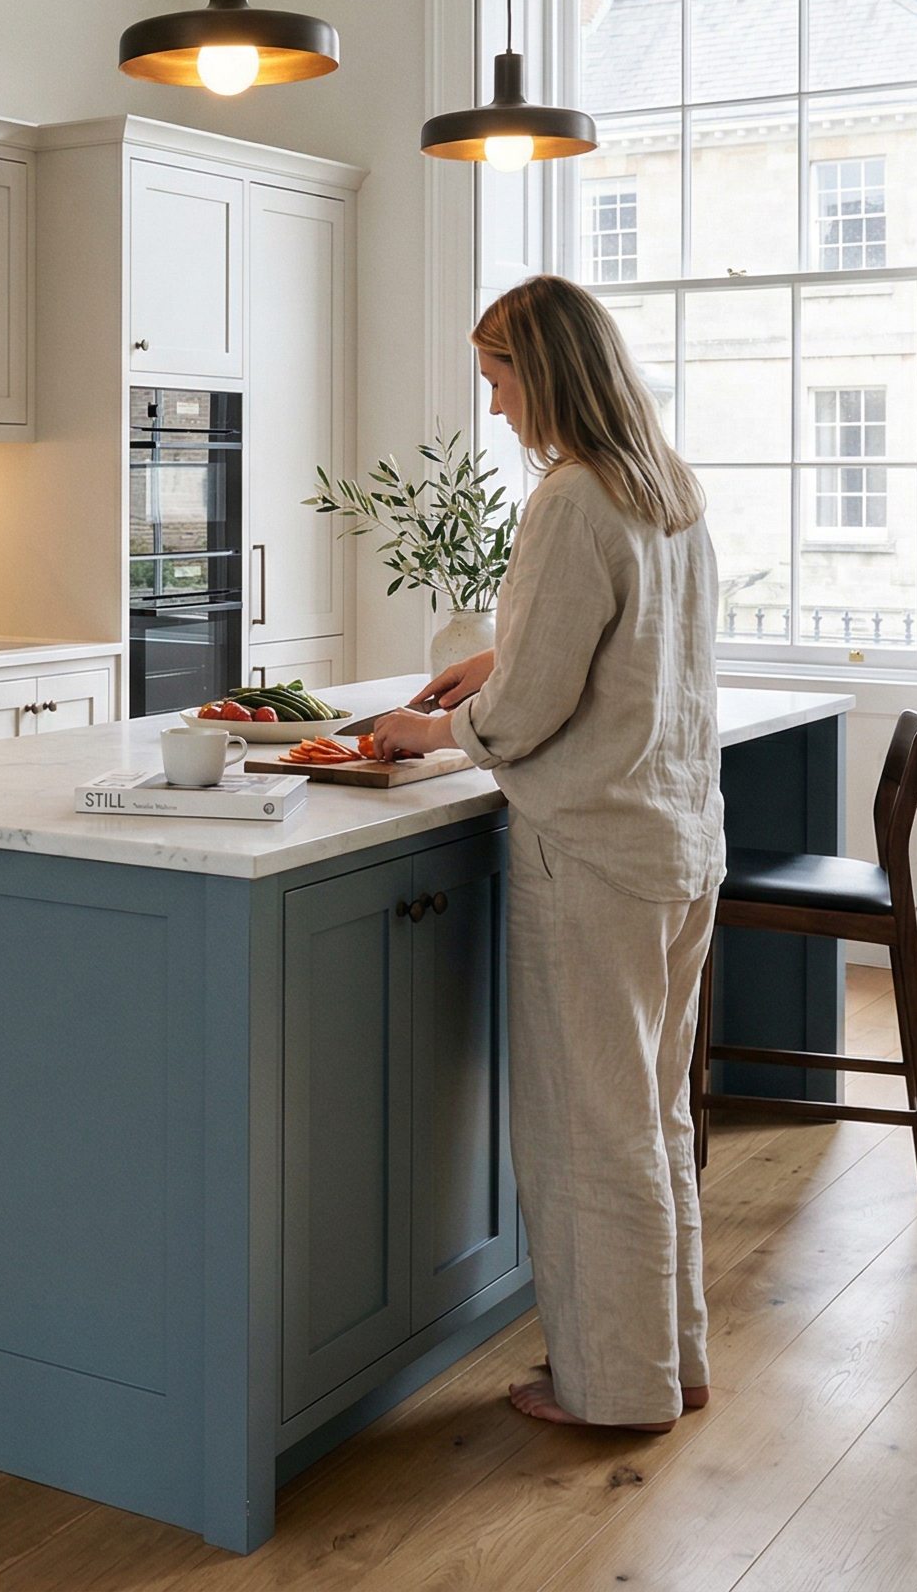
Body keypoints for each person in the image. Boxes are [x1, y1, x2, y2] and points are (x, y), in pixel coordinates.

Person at [370, 274, 722, 1433]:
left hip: (591, 852)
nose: (495, 405)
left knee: (587, 1124)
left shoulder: (569, 497)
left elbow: (525, 716)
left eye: (498, 377)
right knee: (652, 1113)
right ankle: (670, 1359)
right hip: (677, 840)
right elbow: (627, 650)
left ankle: (611, 1387)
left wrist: (433, 727)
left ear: (547, 372)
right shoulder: (665, 486)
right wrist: (500, 657)